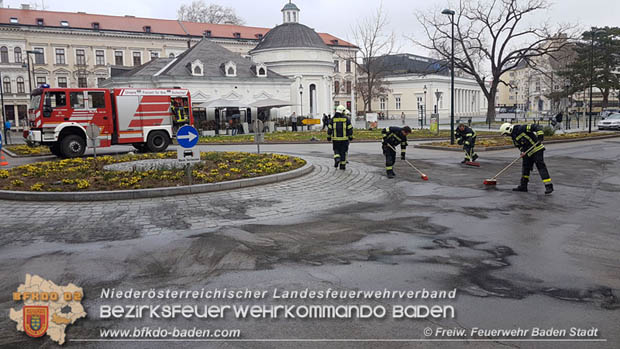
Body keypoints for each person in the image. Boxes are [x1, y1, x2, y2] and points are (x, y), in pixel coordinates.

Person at [499, 122, 553, 194]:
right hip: (528, 153)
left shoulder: (522, 128)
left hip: (537, 149)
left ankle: (548, 186)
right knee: (525, 168)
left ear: (509, 129)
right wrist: (522, 152)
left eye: (506, 134)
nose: (507, 135)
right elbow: (520, 146)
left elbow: (536, 127)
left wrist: (540, 134)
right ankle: (523, 186)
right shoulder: (514, 138)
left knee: (540, 166)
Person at [327, 105, 353, 170]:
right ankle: (342, 166)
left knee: (336, 150)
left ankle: (337, 159)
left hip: (335, 140)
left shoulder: (333, 119)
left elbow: (329, 128)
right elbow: (350, 129)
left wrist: (328, 137)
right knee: (343, 153)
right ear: (342, 111)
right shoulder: (346, 118)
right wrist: (350, 136)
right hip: (344, 139)